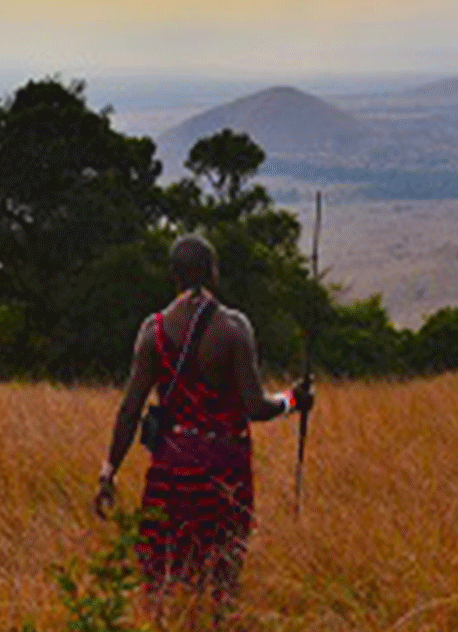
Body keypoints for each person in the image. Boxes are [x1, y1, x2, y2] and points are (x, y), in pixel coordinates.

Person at [94, 232, 314, 613]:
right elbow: (256, 407)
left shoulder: (153, 331)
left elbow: (130, 410)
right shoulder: (233, 328)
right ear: (213, 273)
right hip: (225, 464)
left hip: (171, 463)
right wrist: (293, 400)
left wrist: (109, 470)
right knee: (222, 569)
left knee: (161, 571)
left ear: (174, 276)